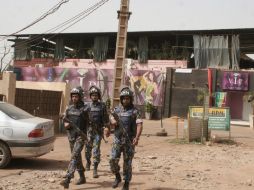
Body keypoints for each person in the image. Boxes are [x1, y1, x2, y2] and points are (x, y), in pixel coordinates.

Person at [109, 86, 143, 190]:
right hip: (117, 139)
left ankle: (126, 183)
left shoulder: (135, 111)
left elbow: (139, 125)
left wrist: (136, 138)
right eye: (123, 98)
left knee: (127, 163)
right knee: (113, 160)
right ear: (121, 99)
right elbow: (110, 118)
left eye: (127, 98)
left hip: (129, 141)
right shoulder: (116, 110)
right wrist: (112, 121)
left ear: (131, 99)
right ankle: (117, 177)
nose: (125, 100)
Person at [60, 87, 88, 189]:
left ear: (80, 97)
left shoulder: (85, 109)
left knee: (74, 155)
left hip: (81, 136)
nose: (74, 98)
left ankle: (67, 178)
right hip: (71, 136)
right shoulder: (69, 108)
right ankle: (82, 177)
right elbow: (64, 119)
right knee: (77, 157)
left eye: (76, 96)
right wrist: (66, 124)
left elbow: (90, 123)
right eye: (73, 96)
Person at [85, 85, 110, 178]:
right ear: (90, 96)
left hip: (98, 132)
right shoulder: (87, 106)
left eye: (96, 95)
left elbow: (106, 119)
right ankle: (88, 162)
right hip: (88, 131)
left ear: (98, 96)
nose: (94, 97)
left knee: (96, 150)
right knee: (87, 150)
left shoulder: (102, 106)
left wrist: (107, 128)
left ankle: (95, 168)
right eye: (92, 95)